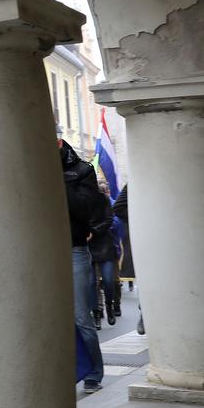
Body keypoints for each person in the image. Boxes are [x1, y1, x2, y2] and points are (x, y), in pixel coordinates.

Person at [63, 140, 112, 393]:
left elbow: (85, 209)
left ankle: (94, 371)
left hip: (74, 249)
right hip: (43, 250)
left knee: (81, 316)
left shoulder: (81, 170)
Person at [89, 197, 122, 327]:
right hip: (87, 245)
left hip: (104, 244)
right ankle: (96, 312)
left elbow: (109, 219)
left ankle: (109, 305)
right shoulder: (78, 198)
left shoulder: (102, 199)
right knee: (91, 283)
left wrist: (93, 230)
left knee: (109, 281)